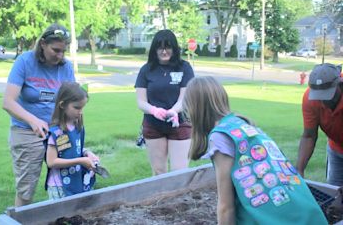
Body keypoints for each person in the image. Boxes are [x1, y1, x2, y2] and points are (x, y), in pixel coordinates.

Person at [183, 76, 327, 224]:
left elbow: (226, 207)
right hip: (303, 210)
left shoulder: (220, 137)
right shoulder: (241, 123)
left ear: (194, 109)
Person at [2, 23, 76, 206]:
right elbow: (8, 102)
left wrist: (74, 130)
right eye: (55, 50)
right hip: (27, 132)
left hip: (58, 131)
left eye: (63, 51)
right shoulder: (25, 61)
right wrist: (33, 120)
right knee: (26, 189)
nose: (60, 56)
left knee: (68, 181)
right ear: (43, 43)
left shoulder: (66, 67)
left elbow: (71, 101)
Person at [134, 29, 195, 175]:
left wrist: (174, 111)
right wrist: (154, 110)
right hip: (153, 125)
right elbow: (141, 102)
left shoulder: (184, 68)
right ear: (154, 49)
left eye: (168, 47)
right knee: (159, 171)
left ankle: (179, 198)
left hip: (180, 122)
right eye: (160, 47)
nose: (164, 51)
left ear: (174, 48)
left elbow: (185, 98)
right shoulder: (146, 70)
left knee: (179, 172)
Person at [45, 82, 99, 199]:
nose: (80, 112)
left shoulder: (77, 126)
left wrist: (87, 153)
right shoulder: (56, 132)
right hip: (59, 185)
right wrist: (80, 160)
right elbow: (51, 161)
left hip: (76, 180)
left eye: (82, 108)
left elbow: (75, 147)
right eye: (76, 107)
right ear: (62, 105)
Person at [297, 63, 343, 186]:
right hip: (336, 149)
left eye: (328, 95)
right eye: (320, 96)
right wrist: (299, 170)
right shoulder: (310, 98)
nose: (324, 100)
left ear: (339, 84)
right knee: (334, 194)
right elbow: (309, 136)